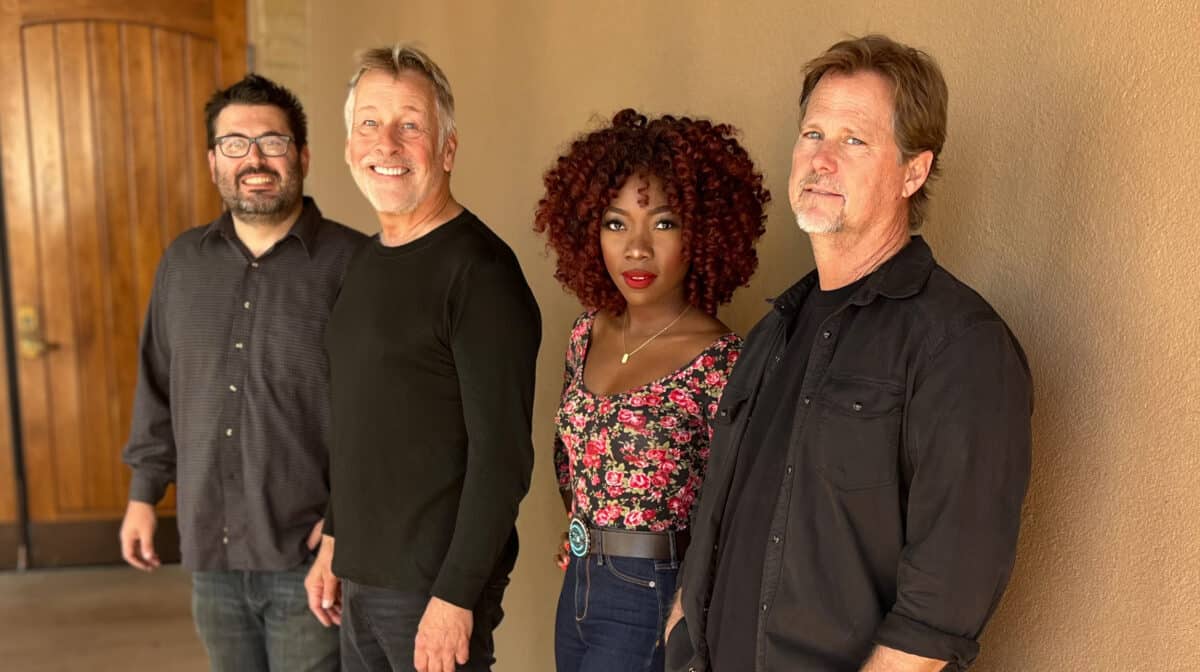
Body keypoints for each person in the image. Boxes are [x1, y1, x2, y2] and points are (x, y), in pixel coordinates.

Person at [666, 35, 1034, 672]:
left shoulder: (960, 345)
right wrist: (679, 638)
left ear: (913, 171)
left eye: (853, 140)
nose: (821, 160)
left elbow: (942, 605)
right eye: (813, 134)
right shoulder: (770, 333)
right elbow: (717, 520)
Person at [303, 45, 541, 672]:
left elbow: (504, 459)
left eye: (410, 124)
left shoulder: (481, 274)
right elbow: (365, 422)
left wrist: (455, 595)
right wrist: (335, 537)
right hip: (361, 579)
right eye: (368, 124)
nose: (386, 143)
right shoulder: (366, 261)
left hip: (429, 590)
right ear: (349, 146)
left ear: (446, 149)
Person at [119, 74, 364, 671]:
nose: (253, 158)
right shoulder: (181, 263)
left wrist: (345, 523)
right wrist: (143, 495)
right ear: (212, 162)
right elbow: (157, 384)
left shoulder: (356, 265)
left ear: (302, 156)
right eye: (234, 143)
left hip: (308, 560)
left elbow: (383, 416)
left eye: (271, 141)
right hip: (212, 557)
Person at [534, 108, 769, 672]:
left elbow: (736, 513)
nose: (636, 248)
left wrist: (688, 601)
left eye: (663, 223)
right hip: (579, 589)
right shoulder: (586, 332)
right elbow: (570, 459)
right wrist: (582, 527)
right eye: (616, 223)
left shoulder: (723, 362)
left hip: (652, 594)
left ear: (701, 231)